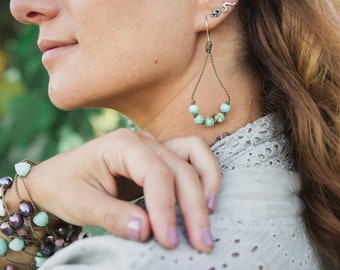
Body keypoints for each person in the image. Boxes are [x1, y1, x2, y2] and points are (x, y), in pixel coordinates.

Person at [2, 0, 339, 269]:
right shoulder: (298, 194)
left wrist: (24, 199)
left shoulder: (135, 261)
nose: (22, 7)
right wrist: (33, 195)